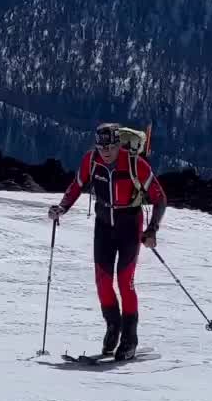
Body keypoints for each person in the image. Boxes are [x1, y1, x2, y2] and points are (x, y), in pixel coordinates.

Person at [49, 122, 166, 361]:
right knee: (103, 282)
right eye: (101, 147)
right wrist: (62, 207)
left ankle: (129, 338)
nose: (105, 152)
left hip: (129, 227)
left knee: (125, 281)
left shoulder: (135, 164)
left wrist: (152, 229)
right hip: (103, 226)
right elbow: (77, 185)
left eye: (110, 147)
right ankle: (113, 327)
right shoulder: (91, 161)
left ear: (118, 144)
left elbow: (159, 197)